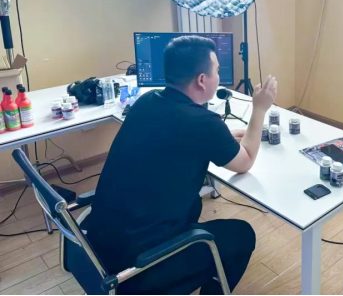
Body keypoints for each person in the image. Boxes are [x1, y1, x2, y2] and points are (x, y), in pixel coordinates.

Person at [85, 36, 278, 295]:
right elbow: (245, 161)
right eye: (217, 70)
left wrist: (219, 138)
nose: (219, 76)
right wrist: (260, 109)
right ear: (202, 80)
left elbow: (170, 137)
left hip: (100, 246)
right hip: (138, 265)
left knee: (195, 207)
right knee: (242, 235)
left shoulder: (147, 101)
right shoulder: (203, 124)